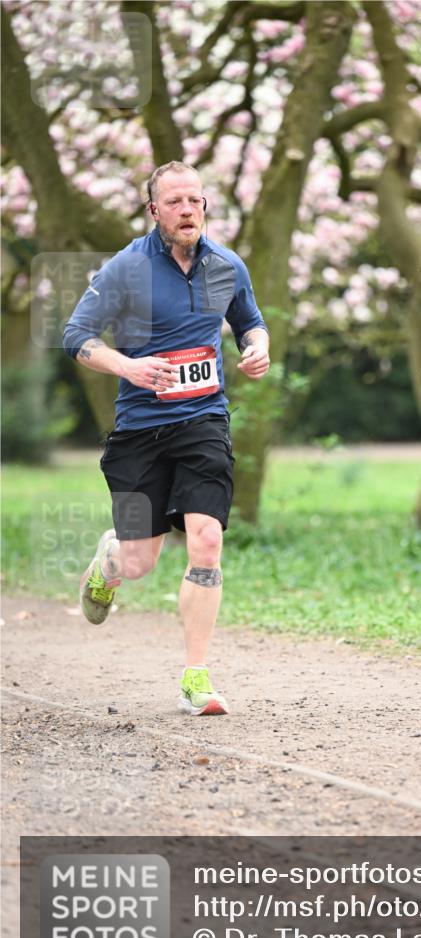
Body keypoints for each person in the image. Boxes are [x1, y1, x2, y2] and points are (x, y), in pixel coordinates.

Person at [63, 161, 270, 716]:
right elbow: (77, 335)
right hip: (140, 430)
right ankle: (110, 561)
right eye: (174, 202)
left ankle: (195, 679)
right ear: (154, 209)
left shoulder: (226, 265)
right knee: (139, 562)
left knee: (207, 540)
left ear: (205, 206)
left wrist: (257, 348)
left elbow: (250, 321)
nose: (186, 210)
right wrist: (127, 367)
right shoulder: (126, 268)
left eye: (194, 200)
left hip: (204, 421)